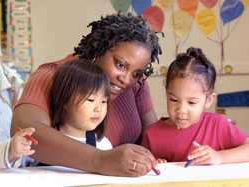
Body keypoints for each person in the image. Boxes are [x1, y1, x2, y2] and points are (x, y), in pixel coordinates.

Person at [12, 12, 162, 176]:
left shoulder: (136, 84)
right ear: (99, 49)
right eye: (120, 64)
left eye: (136, 73)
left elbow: (155, 138)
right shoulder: (54, 76)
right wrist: (101, 160)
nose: (126, 79)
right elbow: (26, 132)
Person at [142, 47, 249, 165]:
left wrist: (219, 157)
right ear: (166, 93)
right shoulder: (152, 135)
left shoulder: (218, 125)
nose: (181, 110)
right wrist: (156, 165)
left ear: (208, 100)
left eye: (191, 102)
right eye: (173, 100)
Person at [49, 59, 112, 150]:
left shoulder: (103, 145)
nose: (99, 109)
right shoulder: (44, 138)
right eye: (91, 100)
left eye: (103, 101)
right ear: (64, 100)